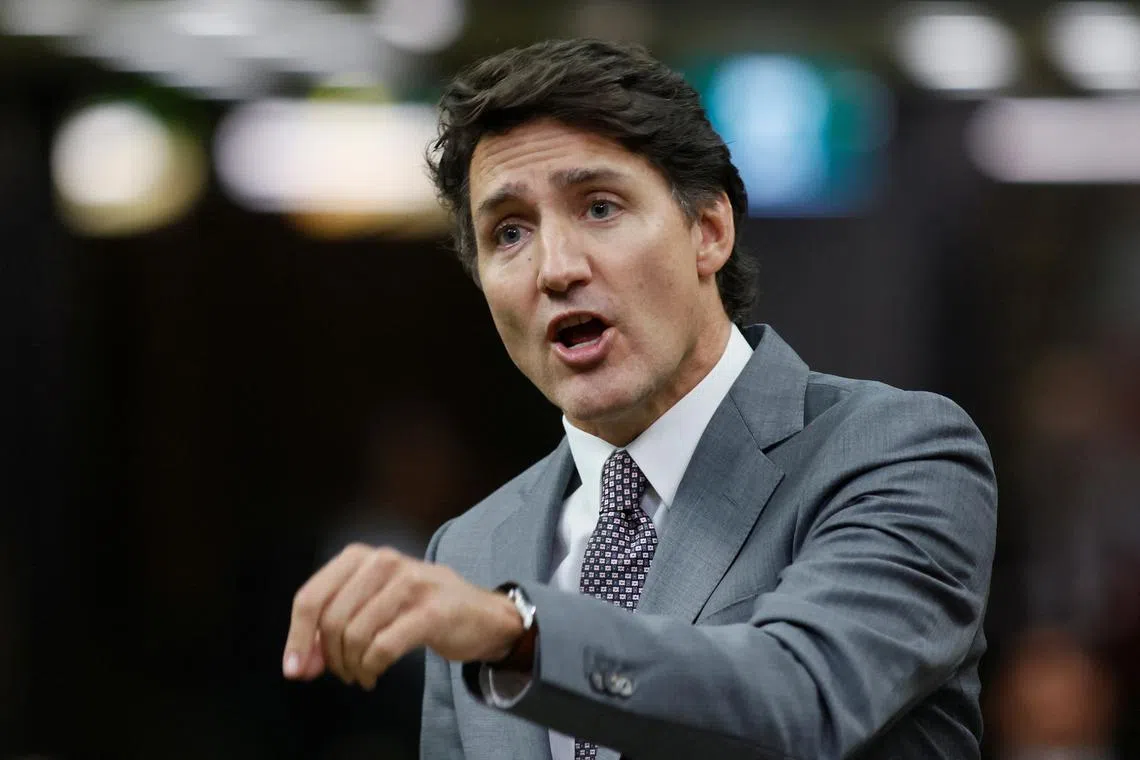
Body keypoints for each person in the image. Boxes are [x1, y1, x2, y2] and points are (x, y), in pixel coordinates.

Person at [282, 38, 998, 760]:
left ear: (708, 231)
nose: (556, 268)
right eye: (509, 232)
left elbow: (801, 698)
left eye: (599, 207)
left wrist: (520, 638)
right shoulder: (470, 551)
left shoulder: (897, 452)